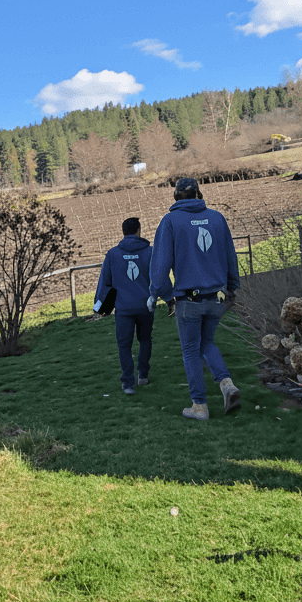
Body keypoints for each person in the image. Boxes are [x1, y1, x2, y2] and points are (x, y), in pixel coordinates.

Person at [148, 177, 241, 420]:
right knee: (206, 342)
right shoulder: (217, 218)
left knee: (191, 349)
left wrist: (168, 297)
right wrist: (232, 289)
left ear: (175, 197)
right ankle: (226, 384)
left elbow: (158, 271)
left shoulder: (170, 222)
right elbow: (231, 257)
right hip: (217, 296)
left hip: (188, 299)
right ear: (199, 194)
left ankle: (199, 406)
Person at [94, 217, 171, 394]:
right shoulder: (151, 252)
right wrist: (169, 299)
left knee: (124, 345)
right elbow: (160, 278)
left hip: (123, 309)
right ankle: (143, 375)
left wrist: (99, 305)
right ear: (138, 231)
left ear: (123, 232)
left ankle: (128, 384)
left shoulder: (113, 254)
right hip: (146, 307)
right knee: (145, 340)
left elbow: (105, 283)